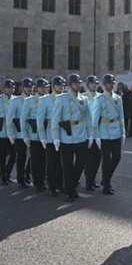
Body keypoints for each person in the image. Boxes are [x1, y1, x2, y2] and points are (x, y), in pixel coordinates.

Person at [52, 73, 94, 202]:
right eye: (76, 83)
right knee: (67, 166)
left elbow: (88, 117)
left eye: (79, 83)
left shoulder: (84, 99)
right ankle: (69, 192)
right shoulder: (62, 98)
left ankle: (71, 185)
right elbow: (55, 118)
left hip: (81, 135)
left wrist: (90, 134)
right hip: (67, 136)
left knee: (81, 161)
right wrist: (56, 137)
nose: (78, 85)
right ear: (70, 84)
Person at [93, 74, 126, 195]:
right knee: (106, 159)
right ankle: (106, 185)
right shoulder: (100, 99)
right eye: (109, 83)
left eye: (112, 83)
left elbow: (121, 116)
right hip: (104, 132)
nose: (111, 85)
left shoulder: (118, 98)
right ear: (104, 85)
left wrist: (123, 133)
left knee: (117, 157)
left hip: (116, 130)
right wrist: (96, 136)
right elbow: (95, 119)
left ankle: (105, 179)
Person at [38, 76, 65, 197]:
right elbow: (40, 120)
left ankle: (61, 184)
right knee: (52, 162)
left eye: (63, 85)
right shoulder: (45, 100)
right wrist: (42, 137)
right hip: (50, 135)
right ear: (53, 86)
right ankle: (52, 186)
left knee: (62, 162)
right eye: (58, 85)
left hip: (64, 134)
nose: (61, 87)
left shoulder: (66, 99)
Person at [21, 78, 49, 192]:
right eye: (41, 87)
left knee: (45, 160)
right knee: (36, 160)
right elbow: (23, 119)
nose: (44, 89)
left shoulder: (50, 100)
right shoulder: (29, 101)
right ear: (36, 88)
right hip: (34, 135)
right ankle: (38, 182)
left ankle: (41, 179)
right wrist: (25, 135)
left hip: (47, 134)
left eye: (46, 87)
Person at [6, 77, 33, 188]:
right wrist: (10, 133)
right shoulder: (16, 101)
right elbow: (10, 118)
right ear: (22, 88)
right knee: (21, 156)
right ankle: (20, 178)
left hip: (32, 132)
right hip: (19, 133)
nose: (29, 89)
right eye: (27, 87)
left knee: (34, 156)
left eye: (31, 86)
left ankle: (27, 172)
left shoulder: (35, 100)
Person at [83, 75, 103, 191]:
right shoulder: (83, 97)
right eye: (92, 83)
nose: (94, 85)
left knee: (97, 158)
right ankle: (88, 181)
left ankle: (93, 179)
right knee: (89, 159)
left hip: (99, 132)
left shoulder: (101, 97)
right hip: (87, 132)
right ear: (87, 85)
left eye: (96, 83)